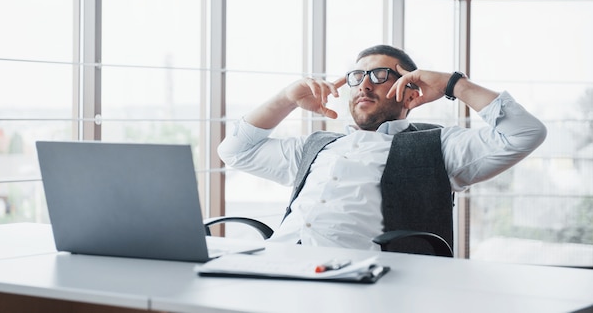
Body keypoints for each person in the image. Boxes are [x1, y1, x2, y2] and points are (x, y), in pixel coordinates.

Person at [217, 45, 547, 250]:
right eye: (357, 75)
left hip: (366, 284)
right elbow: (235, 151)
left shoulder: (438, 146)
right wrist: (286, 98)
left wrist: (452, 84)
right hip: (279, 266)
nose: (363, 83)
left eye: (378, 75)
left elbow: (524, 133)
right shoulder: (316, 147)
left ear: (409, 88)